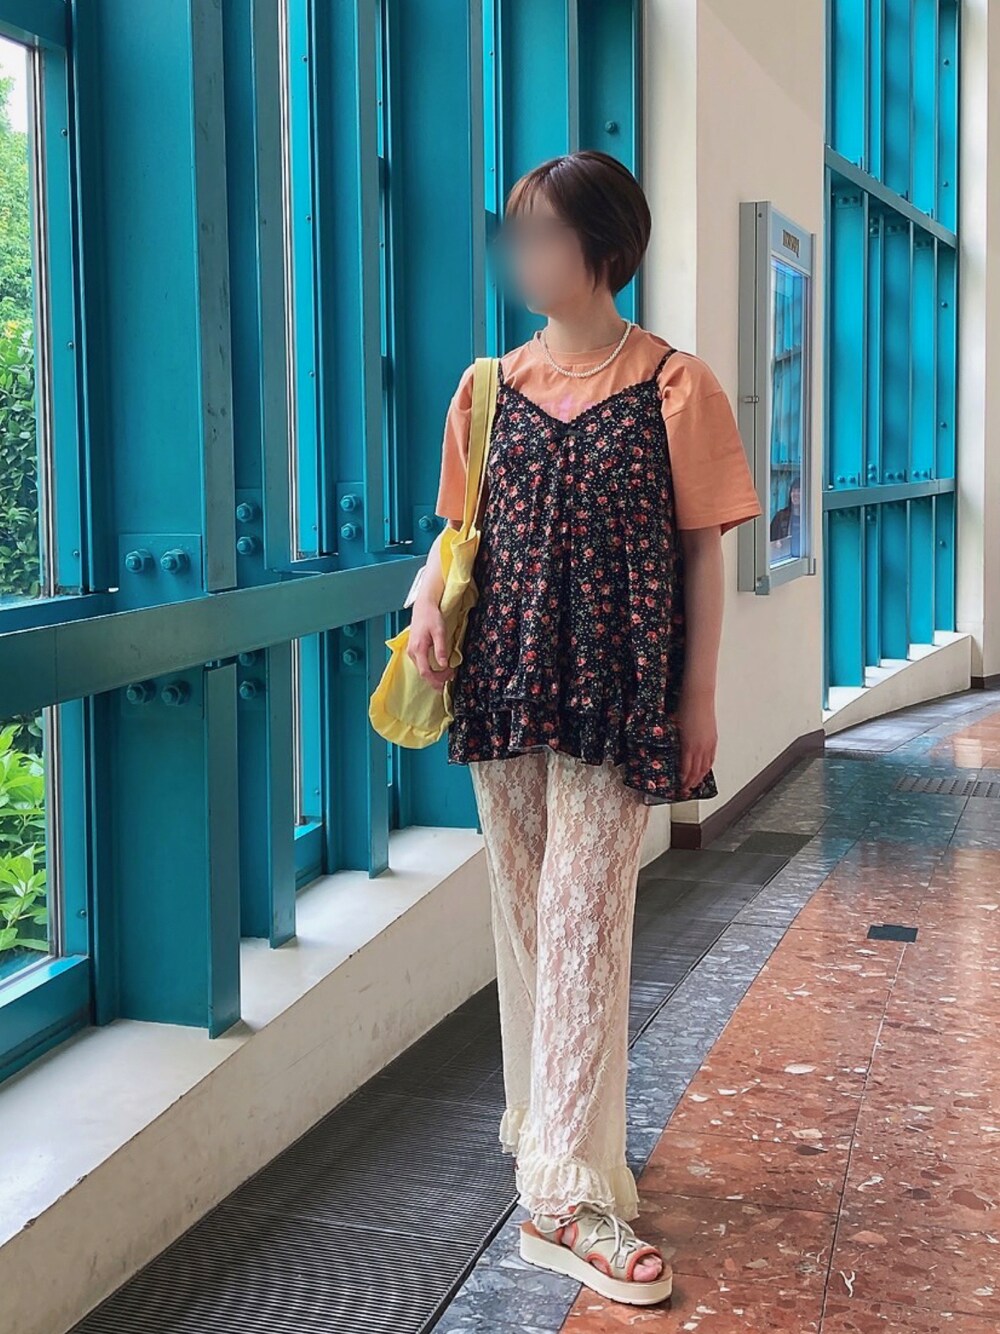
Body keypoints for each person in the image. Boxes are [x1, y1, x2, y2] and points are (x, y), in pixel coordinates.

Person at [406, 150, 761, 1307]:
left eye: (544, 234)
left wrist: (698, 696)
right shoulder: (485, 388)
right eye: (516, 233)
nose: (522, 255)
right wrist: (424, 604)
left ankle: (558, 1200)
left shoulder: (675, 386)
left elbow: (701, 551)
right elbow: (457, 532)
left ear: (606, 249)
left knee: (584, 921)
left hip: (618, 688)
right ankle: (565, 1142)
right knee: (527, 920)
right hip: (505, 682)